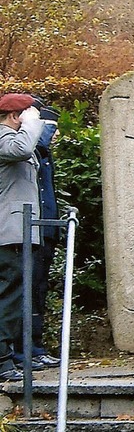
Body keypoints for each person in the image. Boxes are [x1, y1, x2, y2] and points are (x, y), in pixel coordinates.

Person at [13, 99, 62, 368]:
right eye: (50, 130)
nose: (52, 138)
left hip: (45, 228)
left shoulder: (41, 153)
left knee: (38, 291)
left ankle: (35, 347)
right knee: (25, 290)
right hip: (26, 229)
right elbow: (37, 144)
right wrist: (40, 127)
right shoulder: (25, 147)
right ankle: (21, 351)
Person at [0, 93, 44, 381]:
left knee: (15, 297)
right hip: (9, 232)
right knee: (8, 296)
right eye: (27, 114)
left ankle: (8, 357)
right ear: (16, 116)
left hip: (20, 231)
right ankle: (2, 360)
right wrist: (31, 124)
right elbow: (22, 148)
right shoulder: (5, 138)